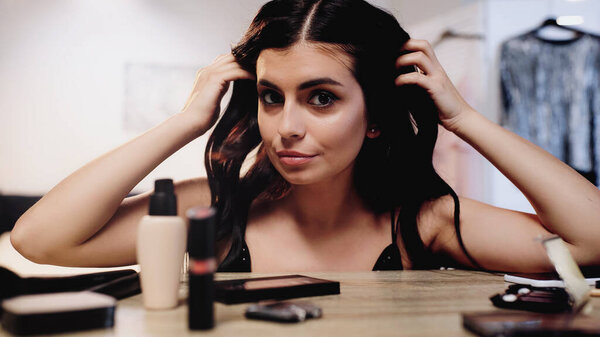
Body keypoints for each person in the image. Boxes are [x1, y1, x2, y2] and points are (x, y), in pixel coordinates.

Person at [10, 0, 600, 272]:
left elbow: (592, 244)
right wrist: (187, 121)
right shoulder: (210, 217)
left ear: (374, 118)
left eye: (322, 98)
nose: (286, 126)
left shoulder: (425, 223)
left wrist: (464, 119)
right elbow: (40, 240)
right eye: (272, 96)